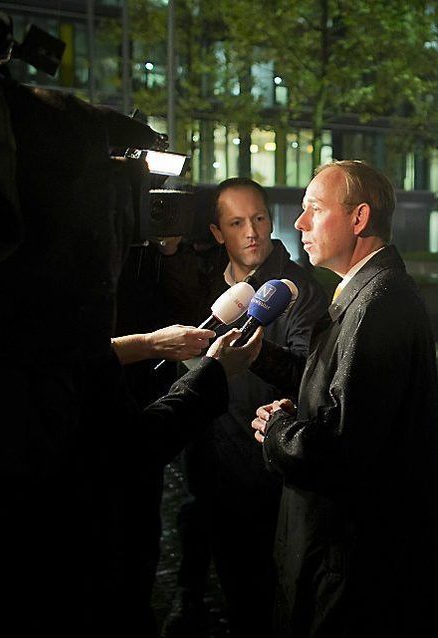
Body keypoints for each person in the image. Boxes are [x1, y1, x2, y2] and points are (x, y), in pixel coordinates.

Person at [250, 161, 438, 637]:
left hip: (352, 568)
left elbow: (343, 447)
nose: (299, 224)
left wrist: (276, 432)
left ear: (359, 219)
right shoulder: (365, 291)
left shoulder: (378, 303)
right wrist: (264, 362)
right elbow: (336, 391)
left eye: (314, 210)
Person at [169, 178, 327, 637]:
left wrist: (259, 355)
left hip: (265, 475)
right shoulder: (209, 285)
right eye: (237, 223)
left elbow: (309, 375)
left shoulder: (297, 290)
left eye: (259, 218)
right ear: (218, 233)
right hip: (211, 466)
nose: (253, 232)